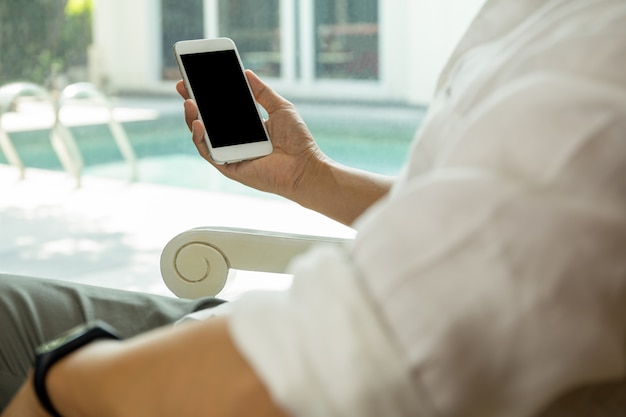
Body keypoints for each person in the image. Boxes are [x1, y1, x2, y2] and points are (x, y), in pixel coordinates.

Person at [1, 0, 626, 415]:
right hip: (288, 335)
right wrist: (309, 177)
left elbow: (334, 362)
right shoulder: (547, 22)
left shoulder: (597, 59)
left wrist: (61, 384)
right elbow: (490, 227)